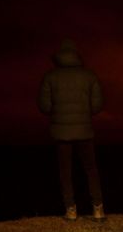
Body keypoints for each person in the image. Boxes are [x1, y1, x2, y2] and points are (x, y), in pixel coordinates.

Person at [37, 40, 106, 222]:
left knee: (65, 172)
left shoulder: (50, 77)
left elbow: (44, 106)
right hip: (84, 130)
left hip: (61, 133)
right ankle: (98, 209)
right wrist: (83, 114)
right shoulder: (89, 76)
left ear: (59, 58)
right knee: (91, 169)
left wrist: (59, 113)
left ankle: (71, 210)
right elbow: (97, 106)